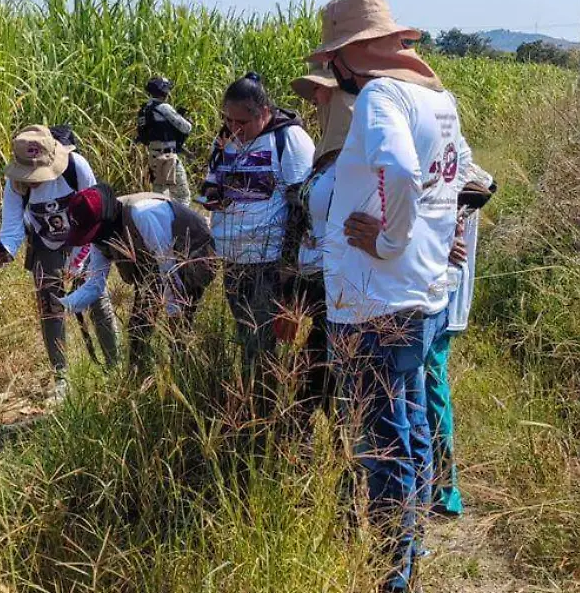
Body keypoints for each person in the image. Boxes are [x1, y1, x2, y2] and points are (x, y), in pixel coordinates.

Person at [307, 0, 465, 593]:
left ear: (349, 56)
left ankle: (390, 577)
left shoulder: (379, 96)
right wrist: (427, 241)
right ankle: (411, 549)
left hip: (376, 300)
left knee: (381, 440)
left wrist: (390, 242)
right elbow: (463, 178)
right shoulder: (439, 100)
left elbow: (398, 171)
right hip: (421, 295)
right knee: (412, 421)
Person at [200, 72, 315, 408]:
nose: (234, 128)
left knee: (262, 340)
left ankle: (263, 410)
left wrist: (288, 267)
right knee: (244, 335)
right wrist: (213, 195)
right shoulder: (224, 139)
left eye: (242, 122)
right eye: (227, 119)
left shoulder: (289, 140)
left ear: (263, 111)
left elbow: (301, 206)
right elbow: (210, 182)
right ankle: (254, 403)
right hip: (233, 257)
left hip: (268, 261)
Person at [0, 125, 121, 400]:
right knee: (50, 307)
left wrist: (78, 262)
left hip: (84, 237)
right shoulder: (15, 183)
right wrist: (5, 252)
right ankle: (62, 379)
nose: (32, 180)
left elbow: (96, 213)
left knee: (96, 296)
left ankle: (114, 367)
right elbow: (12, 227)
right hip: (44, 241)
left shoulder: (75, 167)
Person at [58, 184, 217, 376]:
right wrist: (63, 305)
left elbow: (168, 269)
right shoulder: (101, 235)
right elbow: (94, 284)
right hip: (156, 270)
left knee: (179, 335)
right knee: (137, 329)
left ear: (104, 221)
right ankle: (138, 381)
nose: (92, 239)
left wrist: (174, 314)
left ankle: (185, 379)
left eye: (91, 233)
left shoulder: (142, 214)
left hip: (190, 256)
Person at [278, 64, 356, 417]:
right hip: (313, 276)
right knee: (313, 366)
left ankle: (343, 455)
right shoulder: (324, 156)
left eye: (322, 92)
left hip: (342, 283)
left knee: (327, 371)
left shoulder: (358, 155)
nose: (315, 100)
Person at [425, 166, 496, 517]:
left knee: (431, 389)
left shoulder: (455, 162)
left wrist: (453, 223)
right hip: (429, 295)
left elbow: (485, 187)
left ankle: (444, 489)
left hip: (442, 298)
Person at [137, 76, 193, 204]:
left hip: (154, 156)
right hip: (167, 156)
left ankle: (160, 221)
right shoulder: (163, 108)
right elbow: (186, 127)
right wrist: (187, 119)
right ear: (164, 92)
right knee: (182, 196)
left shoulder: (145, 109)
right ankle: (180, 223)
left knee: (159, 195)